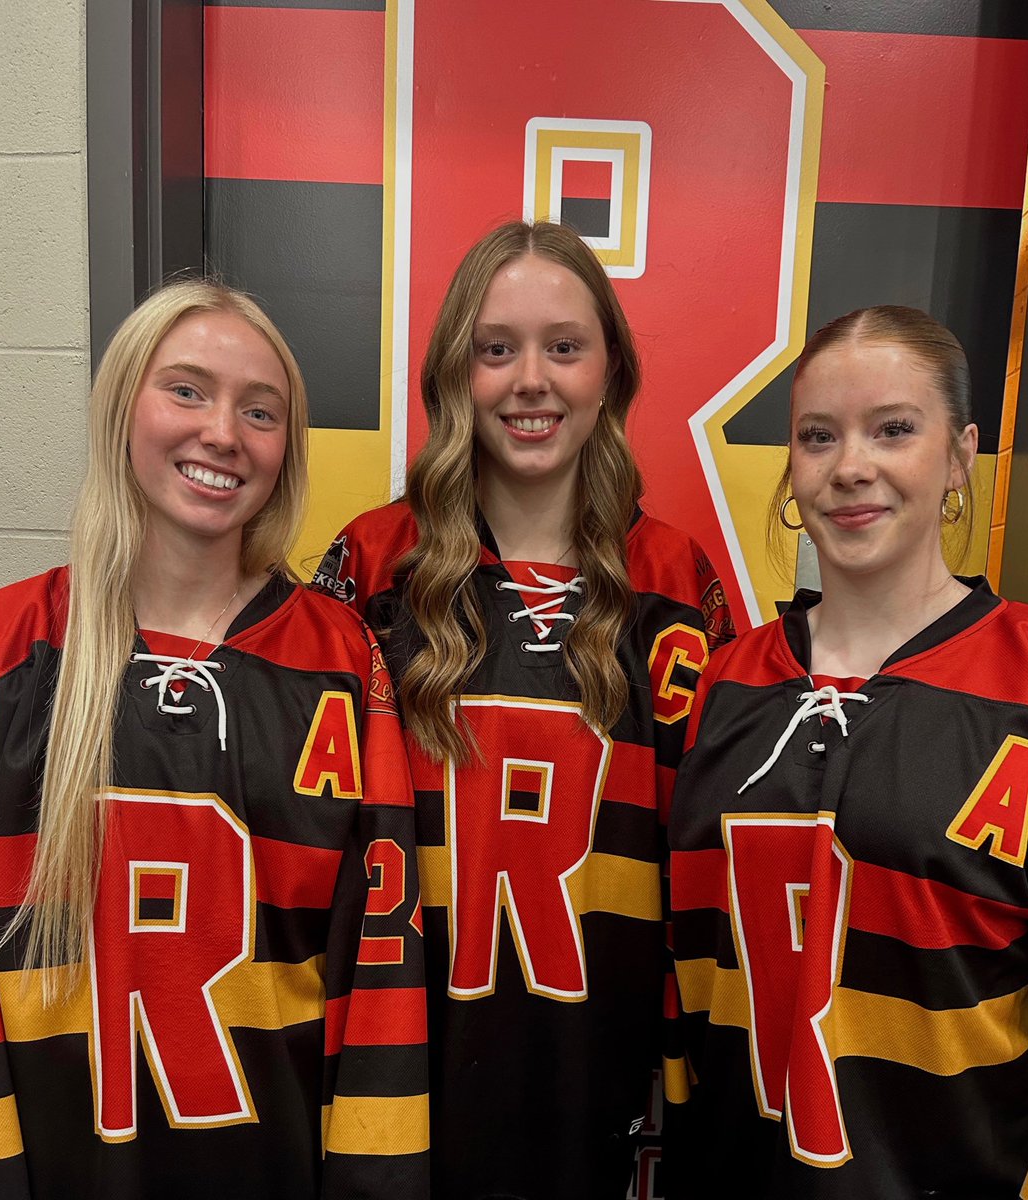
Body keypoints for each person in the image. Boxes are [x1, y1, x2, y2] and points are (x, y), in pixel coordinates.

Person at [0, 281, 428, 1199]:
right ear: (122, 403)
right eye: (187, 390)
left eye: (260, 411)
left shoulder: (340, 663)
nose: (223, 433)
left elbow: (379, 965)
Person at [313, 220, 733, 1199]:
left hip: (601, 1071)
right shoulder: (373, 566)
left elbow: (713, 865)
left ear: (611, 373)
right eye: (495, 349)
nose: (529, 380)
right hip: (402, 1065)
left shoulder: (674, 581)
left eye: (563, 346)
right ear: (453, 372)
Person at [668, 306, 1028, 1198]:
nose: (850, 468)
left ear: (958, 456)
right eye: (817, 437)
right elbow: (688, 989)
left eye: (893, 430)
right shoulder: (722, 688)